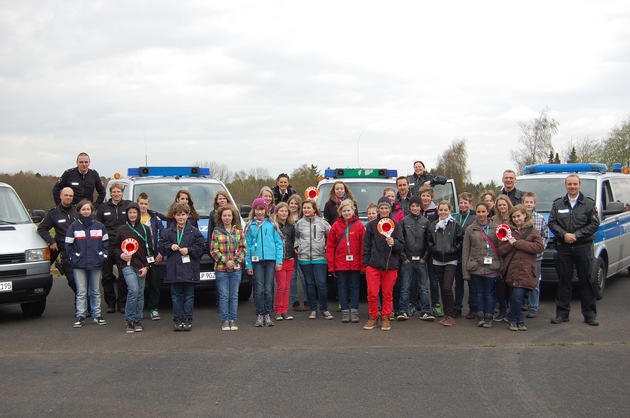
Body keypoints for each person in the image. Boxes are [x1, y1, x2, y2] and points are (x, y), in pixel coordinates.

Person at [548, 174, 600, 326]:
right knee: (564, 281)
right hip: (563, 247)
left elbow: (594, 224)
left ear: (580, 185)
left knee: (586, 281)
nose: (572, 187)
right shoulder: (558, 204)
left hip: (583, 246)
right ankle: (562, 314)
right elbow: (552, 222)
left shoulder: (588, 204)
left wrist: (576, 235)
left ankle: (590, 315)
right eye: (569, 184)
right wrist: (564, 235)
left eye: (575, 184)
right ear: (565, 185)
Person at [496, 205, 544, 331]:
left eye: (518, 216)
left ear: (524, 215)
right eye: (514, 217)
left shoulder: (533, 231)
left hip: (526, 270)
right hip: (511, 269)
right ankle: (519, 320)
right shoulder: (508, 231)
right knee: (514, 297)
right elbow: (500, 250)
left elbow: (539, 247)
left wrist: (518, 243)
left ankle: (513, 318)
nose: (516, 219)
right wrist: (510, 245)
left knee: (518, 296)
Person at [160, 202, 205, 331]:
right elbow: (161, 248)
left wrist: (189, 250)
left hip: (189, 269)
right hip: (174, 270)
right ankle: (178, 319)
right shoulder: (168, 232)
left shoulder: (194, 232)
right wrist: (170, 246)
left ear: (188, 215)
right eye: (178, 215)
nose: (181, 217)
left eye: (183, 215)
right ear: (174, 216)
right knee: (176, 296)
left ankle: (187, 319)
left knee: (189, 296)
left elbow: (201, 248)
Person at [65, 199, 108, 328]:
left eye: (88, 209)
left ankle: (97, 315)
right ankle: (80, 316)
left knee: (95, 291)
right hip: (79, 265)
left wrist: (102, 256)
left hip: (96, 263)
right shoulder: (73, 226)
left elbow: (105, 244)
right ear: (79, 211)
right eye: (83, 209)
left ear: (92, 210)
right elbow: (68, 245)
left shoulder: (99, 226)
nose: (86, 211)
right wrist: (74, 258)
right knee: (82, 292)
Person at [362, 197, 404, 331]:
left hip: (390, 266)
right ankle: (373, 317)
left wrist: (395, 243)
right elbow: (366, 245)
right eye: (382, 208)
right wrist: (367, 263)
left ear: (390, 209)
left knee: (387, 293)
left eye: (386, 208)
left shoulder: (396, 225)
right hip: (373, 266)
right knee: (372, 293)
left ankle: (385, 317)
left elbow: (402, 246)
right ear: (378, 209)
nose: (384, 210)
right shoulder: (372, 225)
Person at [113, 202, 153, 333]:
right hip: (127, 265)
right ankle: (129, 319)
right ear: (127, 214)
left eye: (134, 212)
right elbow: (114, 248)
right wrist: (121, 255)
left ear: (138, 214)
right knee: (133, 290)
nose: (132, 215)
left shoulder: (145, 230)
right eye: (130, 212)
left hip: (142, 266)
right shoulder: (121, 230)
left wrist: (147, 266)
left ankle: (137, 319)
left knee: (140, 293)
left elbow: (150, 250)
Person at [244, 198, 284, 327]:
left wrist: (279, 261)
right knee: (259, 288)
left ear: (266, 210)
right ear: (253, 210)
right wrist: (248, 264)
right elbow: (247, 246)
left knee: (268, 288)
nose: (260, 212)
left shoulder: (272, 224)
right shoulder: (250, 225)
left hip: (270, 260)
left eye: (262, 209)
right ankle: (259, 314)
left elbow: (279, 243)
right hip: (257, 261)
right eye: (257, 209)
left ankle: (267, 314)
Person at [462, 202, 501, 328]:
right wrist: (465, 271)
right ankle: (480, 316)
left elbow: (501, 248)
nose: (481, 214)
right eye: (478, 212)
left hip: (492, 266)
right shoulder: (470, 229)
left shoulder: (497, 228)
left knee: (489, 293)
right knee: (479, 292)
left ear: (488, 212)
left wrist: (502, 267)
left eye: (483, 211)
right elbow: (466, 250)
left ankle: (489, 316)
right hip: (475, 266)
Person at [326, 199, 364, 323]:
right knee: (342, 287)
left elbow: (363, 246)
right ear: (340, 212)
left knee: (355, 286)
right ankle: (345, 311)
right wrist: (331, 265)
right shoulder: (335, 226)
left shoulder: (359, 226)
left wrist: (363, 264)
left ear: (353, 211)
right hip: (340, 263)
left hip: (355, 263)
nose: (347, 213)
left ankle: (354, 310)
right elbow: (330, 246)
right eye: (344, 211)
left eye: (349, 210)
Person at [95, 183, 131, 314]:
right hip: (107, 245)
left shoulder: (128, 205)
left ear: (122, 193)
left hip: (123, 245)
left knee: (123, 275)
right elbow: (97, 226)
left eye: (118, 191)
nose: (116, 194)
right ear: (110, 193)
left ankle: (122, 303)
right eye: (114, 192)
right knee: (107, 276)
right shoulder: (103, 208)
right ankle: (110, 303)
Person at [210, 204, 246, 331]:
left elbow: (243, 248)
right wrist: (226, 261)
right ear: (220, 217)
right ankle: (225, 320)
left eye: (229, 215)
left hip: (236, 269)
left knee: (234, 296)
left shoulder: (238, 231)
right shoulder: (216, 232)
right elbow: (213, 250)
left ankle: (233, 319)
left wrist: (234, 261)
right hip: (221, 269)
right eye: (224, 215)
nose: (227, 218)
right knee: (224, 296)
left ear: (233, 217)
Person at [397, 195, 433, 322]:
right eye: (413, 206)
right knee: (405, 287)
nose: (415, 208)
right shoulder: (404, 221)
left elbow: (429, 242)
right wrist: (403, 257)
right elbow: (400, 241)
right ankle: (403, 310)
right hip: (408, 260)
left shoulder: (425, 222)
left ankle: (426, 311)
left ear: (420, 207)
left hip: (421, 260)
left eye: (417, 206)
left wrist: (425, 258)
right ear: (409, 207)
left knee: (423, 287)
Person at [295, 199, 332, 320]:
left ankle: (324, 309)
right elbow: (296, 237)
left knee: (321, 283)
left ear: (314, 209)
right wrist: (296, 245)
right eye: (304, 208)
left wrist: (327, 247)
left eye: (308, 208)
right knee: (309, 284)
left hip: (320, 258)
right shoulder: (299, 223)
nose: (306, 210)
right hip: (304, 258)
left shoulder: (323, 222)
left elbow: (331, 236)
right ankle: (313, 309)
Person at [428, 201, 463, 327]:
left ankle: (451, 314)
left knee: (448, 287)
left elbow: (460, 240)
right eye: (441, 210)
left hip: (451, 260)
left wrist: (453, 250)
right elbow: (429, 241)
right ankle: (446, 314)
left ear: (450, 211)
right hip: (437, 260)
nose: (443, 212)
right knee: (442, 287)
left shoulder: (455, 225)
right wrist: (434, 249)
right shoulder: (433, 225)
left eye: (445, 210)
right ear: (437, 211)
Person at [38, 187, 78, 296]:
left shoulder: (78, 211)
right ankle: (82, 305)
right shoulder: (53, 213)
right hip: (66, 252)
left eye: (70, 195)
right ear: (60, 196)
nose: (68, 197)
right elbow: (42, 229)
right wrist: (51, 241)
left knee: (84, 282)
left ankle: (84, 307)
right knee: (73, 281)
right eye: (66, 195)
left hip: (81, 251)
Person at [137, 193, 165, 321]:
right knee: (138, 286)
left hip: (153, 255)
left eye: (145, 204)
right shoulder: (133, 218)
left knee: (154, 284)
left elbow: (162, 237)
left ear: (148, 204)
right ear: (137, 204)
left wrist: (160, 253)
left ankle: (154, 309)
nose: (143, 206)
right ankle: (139, 310)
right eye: (141, 203)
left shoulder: (155, 219)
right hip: (138, 256)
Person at [521, 191, 549, 318]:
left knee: (535, 282)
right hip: (521, 256)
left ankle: (533, 306)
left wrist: (538, 249)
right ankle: (521, 304)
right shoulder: (518, 218)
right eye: (526, 202)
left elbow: (545, 236)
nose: (528, 204)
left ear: (534, 204)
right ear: (523, 203)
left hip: (536, 257)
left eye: (531, 202)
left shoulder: (540, 218)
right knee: (520, 280)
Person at [453, 192, 477, 319]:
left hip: (471, 255)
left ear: (470, 204)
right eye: (461, 203)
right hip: (458, 255)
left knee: (472, 283)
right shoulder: (456, 218)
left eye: (465, 203)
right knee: (458, 283)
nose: (462, 205)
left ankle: (473, 307)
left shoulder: (475, 218)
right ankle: (457, 307)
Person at [418, 185, 441, 316]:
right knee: (420, 279)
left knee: (433, 279)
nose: (425, 198)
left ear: (431, 197)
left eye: (427, 195)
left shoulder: (436, 210)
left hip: (432, 249)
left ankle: (436, 304)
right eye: (423, 195)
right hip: (419, 249)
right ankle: (421, 303)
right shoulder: (417, 209)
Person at [491, 194, 514, 322]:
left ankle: (512, 311)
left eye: (504, 204)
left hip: (512, 254)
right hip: (499, 254)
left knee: (511, 285)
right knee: (500, 285)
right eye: (499, 205)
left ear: (508, 204)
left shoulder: (513, 217)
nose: (502, 207)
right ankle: (502, 311)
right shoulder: (494, 219)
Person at [272, 202, 296, 321]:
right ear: (277, 213)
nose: (284, 213)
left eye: (286, 211)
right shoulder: (274, 226)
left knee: (287, 286)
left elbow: (295, 241)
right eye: (281, 211)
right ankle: (278, 310)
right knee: (281, 286)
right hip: (279, 260)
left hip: (290, 259)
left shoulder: (292, 226)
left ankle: (285, 311)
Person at [287, 194, 308, 312]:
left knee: (303, 275)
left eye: (296, 203)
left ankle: (307, 299)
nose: (293, 205)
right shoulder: (285, 217)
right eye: (291, 203)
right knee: (292, 276)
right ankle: (294, 300)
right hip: (289, 250)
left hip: (301, 250)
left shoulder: (303, 217)